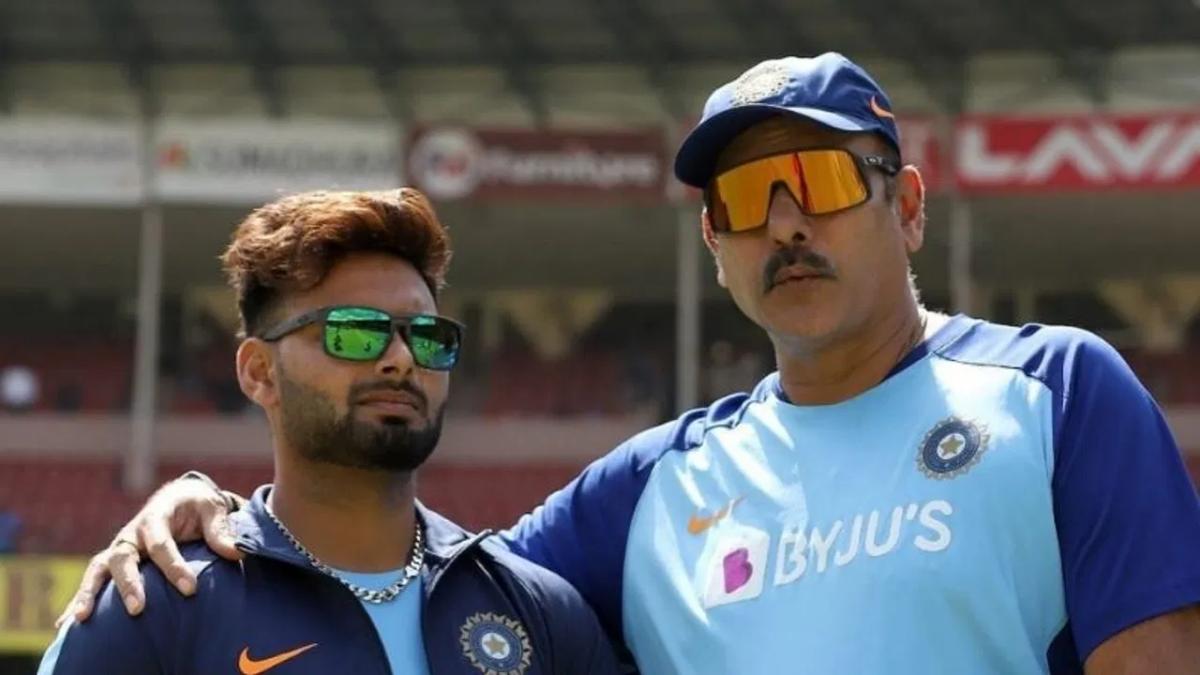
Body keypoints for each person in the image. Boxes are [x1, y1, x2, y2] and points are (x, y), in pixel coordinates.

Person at [60, 53, 1200, 674]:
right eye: (747, 200)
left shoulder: (1055, 391)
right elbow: (412, 582)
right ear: (714, 243)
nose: (785, 223)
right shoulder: (653, 488)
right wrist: (206, 502)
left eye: (825, 181)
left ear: (904, 205)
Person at [39, 188, 621, 674]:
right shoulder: (159, 605)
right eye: (354, 332)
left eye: (426, 336)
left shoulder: (537, 609)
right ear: (258, 372)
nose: (399, 358)